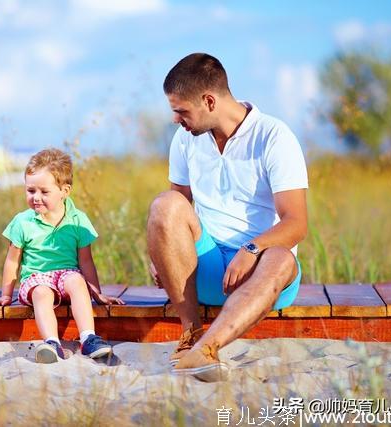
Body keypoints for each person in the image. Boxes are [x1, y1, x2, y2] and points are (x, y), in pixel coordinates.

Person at [147, 53, 308, 382]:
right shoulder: (186, 139)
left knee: (280, 258)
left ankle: (206, 350)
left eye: (181, 111)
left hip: (262, 273)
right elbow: (177, 205)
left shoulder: (274, 137)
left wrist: (250, 250)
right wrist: (160, 251)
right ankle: (190, 333)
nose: (176, 120)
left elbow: (296, 223)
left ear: (208, 101)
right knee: (165, 203)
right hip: (205, 269)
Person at [0, 148, 124, 363]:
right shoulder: (23, 222)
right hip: (35, 278)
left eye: (44, 192)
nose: (36, 198)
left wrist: (97, 293)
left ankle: (88, 338)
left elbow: (86, 262)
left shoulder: (78, 220)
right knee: (42, 293)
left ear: (64, 191)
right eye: (30, 191)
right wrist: (6, 295)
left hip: (67, 274)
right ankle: (52, 343)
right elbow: (12, 260)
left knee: (77, 280)